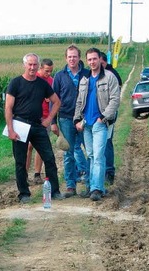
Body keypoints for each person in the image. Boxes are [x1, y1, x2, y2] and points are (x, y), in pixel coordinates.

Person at [5, 53, 64, 203]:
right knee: (20, 161)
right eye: (29, 64)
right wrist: (11, 129)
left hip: (38, 125)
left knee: (49, 158)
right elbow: (8, 108)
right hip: (20, 125)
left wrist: (49, 119)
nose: (32, 67)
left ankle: (54, 191)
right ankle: (24, 193)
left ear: (38, 66)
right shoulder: (15, 83)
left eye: (34, 64)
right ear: (24, 65)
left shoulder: (42, 84)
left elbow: (56, 102)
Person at [73, 47, 120, 202]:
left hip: (100, 123)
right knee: (92, 156)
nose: (92, 62)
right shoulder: (85, 79)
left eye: (95, 59)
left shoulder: (109, 77)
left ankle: (97, 189)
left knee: (99, 156)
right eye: (90, 59)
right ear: (87, 61)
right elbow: (80, 101)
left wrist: (103, 117)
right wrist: (77, 119)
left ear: (100, 59)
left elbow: (115, 100)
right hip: (86, 124)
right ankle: (93, 186)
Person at [53, 45, 90, 197]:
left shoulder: (87, 74)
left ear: (79, 57)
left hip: (85, 118)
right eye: (69, 56)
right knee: (68, 153)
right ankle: (70, 185)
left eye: (74, 56)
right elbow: (53, 99)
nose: (72, 59)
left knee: (89, 151)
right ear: (65, 58)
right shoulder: (59, 76)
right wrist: (53, 122)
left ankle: (89, 184)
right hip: (66, 118)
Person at [25, 58, 55, 186]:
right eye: (47, 71)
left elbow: (55, 100)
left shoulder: (51, 81)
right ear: (41, 68)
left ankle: (37, 174)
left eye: (50, 71)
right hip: (31, 118)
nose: (48, 74)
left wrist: (51, 120)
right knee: (28, 146)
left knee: (40, 148)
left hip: (45, 119)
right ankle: (24, 174)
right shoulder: (33, 79)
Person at [99, 51, 122, 185]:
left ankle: (109, 172)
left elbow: (115, 99)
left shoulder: (112, 75)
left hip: (109, 115)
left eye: (101, 63)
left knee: (107, 142)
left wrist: (106, 115)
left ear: (105, 62)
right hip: (96, 115)